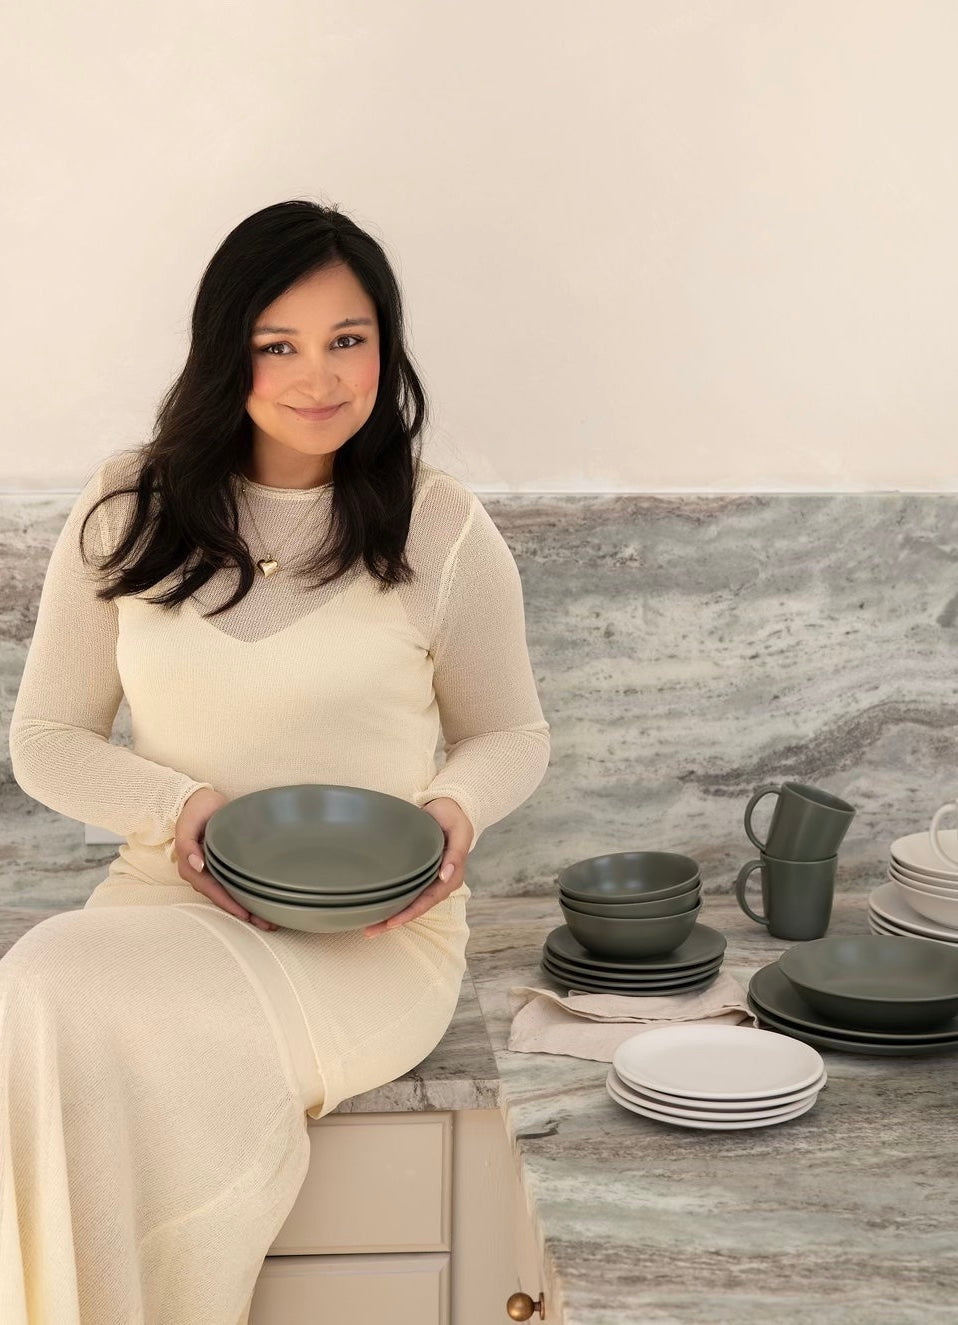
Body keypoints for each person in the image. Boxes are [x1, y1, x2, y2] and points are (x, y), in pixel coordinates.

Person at [1, 199, 551, 1324]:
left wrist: (454, 809)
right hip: (162, 904)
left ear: (385, 351)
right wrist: (181, 805)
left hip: (371, 936)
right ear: (225, 354)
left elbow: (513, 732)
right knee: (44, 975)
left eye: (348, 340)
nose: (320, 377)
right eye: (277, 344)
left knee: (56, 989)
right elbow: (46, 740)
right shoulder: (127, 504)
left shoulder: (441, 527)